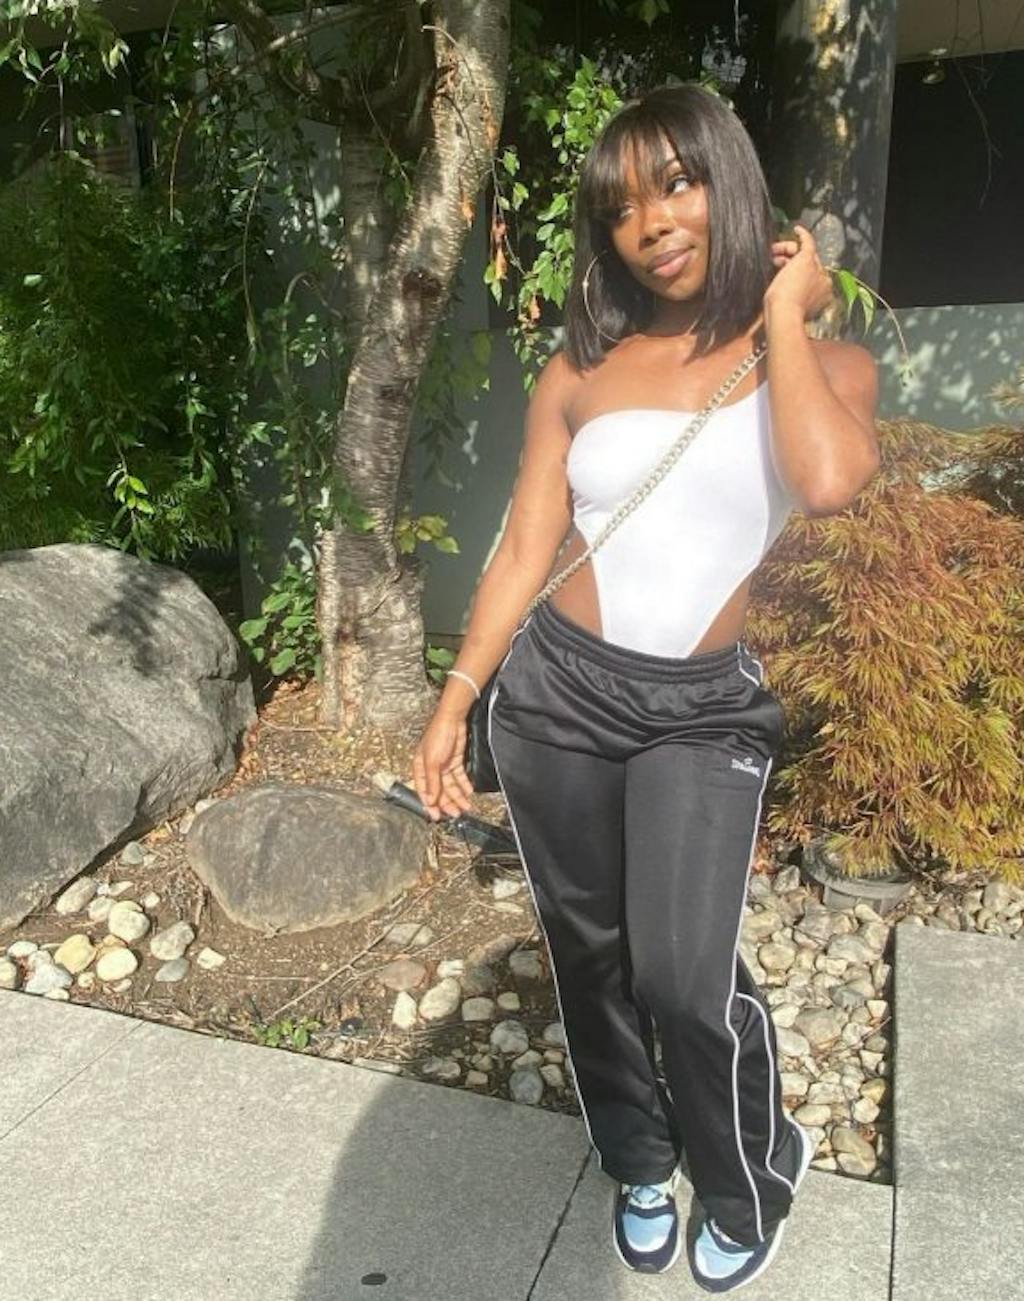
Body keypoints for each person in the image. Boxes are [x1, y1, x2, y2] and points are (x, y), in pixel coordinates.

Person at [412, 82, 879, 1293]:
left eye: (677, 184)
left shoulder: (826, 363)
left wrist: (783, 311)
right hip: (555, 699)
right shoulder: (581, 370)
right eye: (622, 207)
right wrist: (457, 696)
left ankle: (750, 1171)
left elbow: (828, 481)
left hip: (702, 710)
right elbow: (526, 542)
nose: (653, 222)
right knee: (590, 954)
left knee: (682, 971)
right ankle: (636, 1159)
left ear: (731, 182)